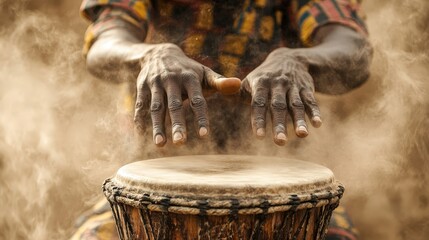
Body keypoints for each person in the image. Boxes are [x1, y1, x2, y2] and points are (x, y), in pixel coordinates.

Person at [71, 0, 372, 239]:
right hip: (146, 194)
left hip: (290, 197)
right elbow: (105, 44)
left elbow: (353, 50)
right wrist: (151, 55)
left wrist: (299, 59)